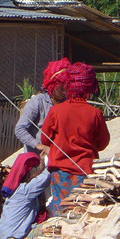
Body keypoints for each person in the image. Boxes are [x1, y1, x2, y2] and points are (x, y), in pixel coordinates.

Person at [41, 62, 110, 215]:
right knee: (82, 211)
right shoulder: (95, 113)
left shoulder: (56, 111)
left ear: (68, 85)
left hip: (60, 172)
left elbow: (45, 139)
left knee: (62, 210)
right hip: (85, 170)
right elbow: (103, 143)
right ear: (90, 87)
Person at [0, 153, 50, 239]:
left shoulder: (16, 191)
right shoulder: (24, 191)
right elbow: (44, 178)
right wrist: (53, 163)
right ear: (28, 174)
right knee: (50, 225)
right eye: (35, 170)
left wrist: (42, 164)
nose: (37, 173)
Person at [14, 58, 71, 156]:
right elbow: (20, 130)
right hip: (36, 159)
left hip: (59, 159)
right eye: (61, 88)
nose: (64, 91)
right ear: (52, 85)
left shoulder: (68, 104)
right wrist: (39, 146)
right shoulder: (37, 102)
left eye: (66, 87)